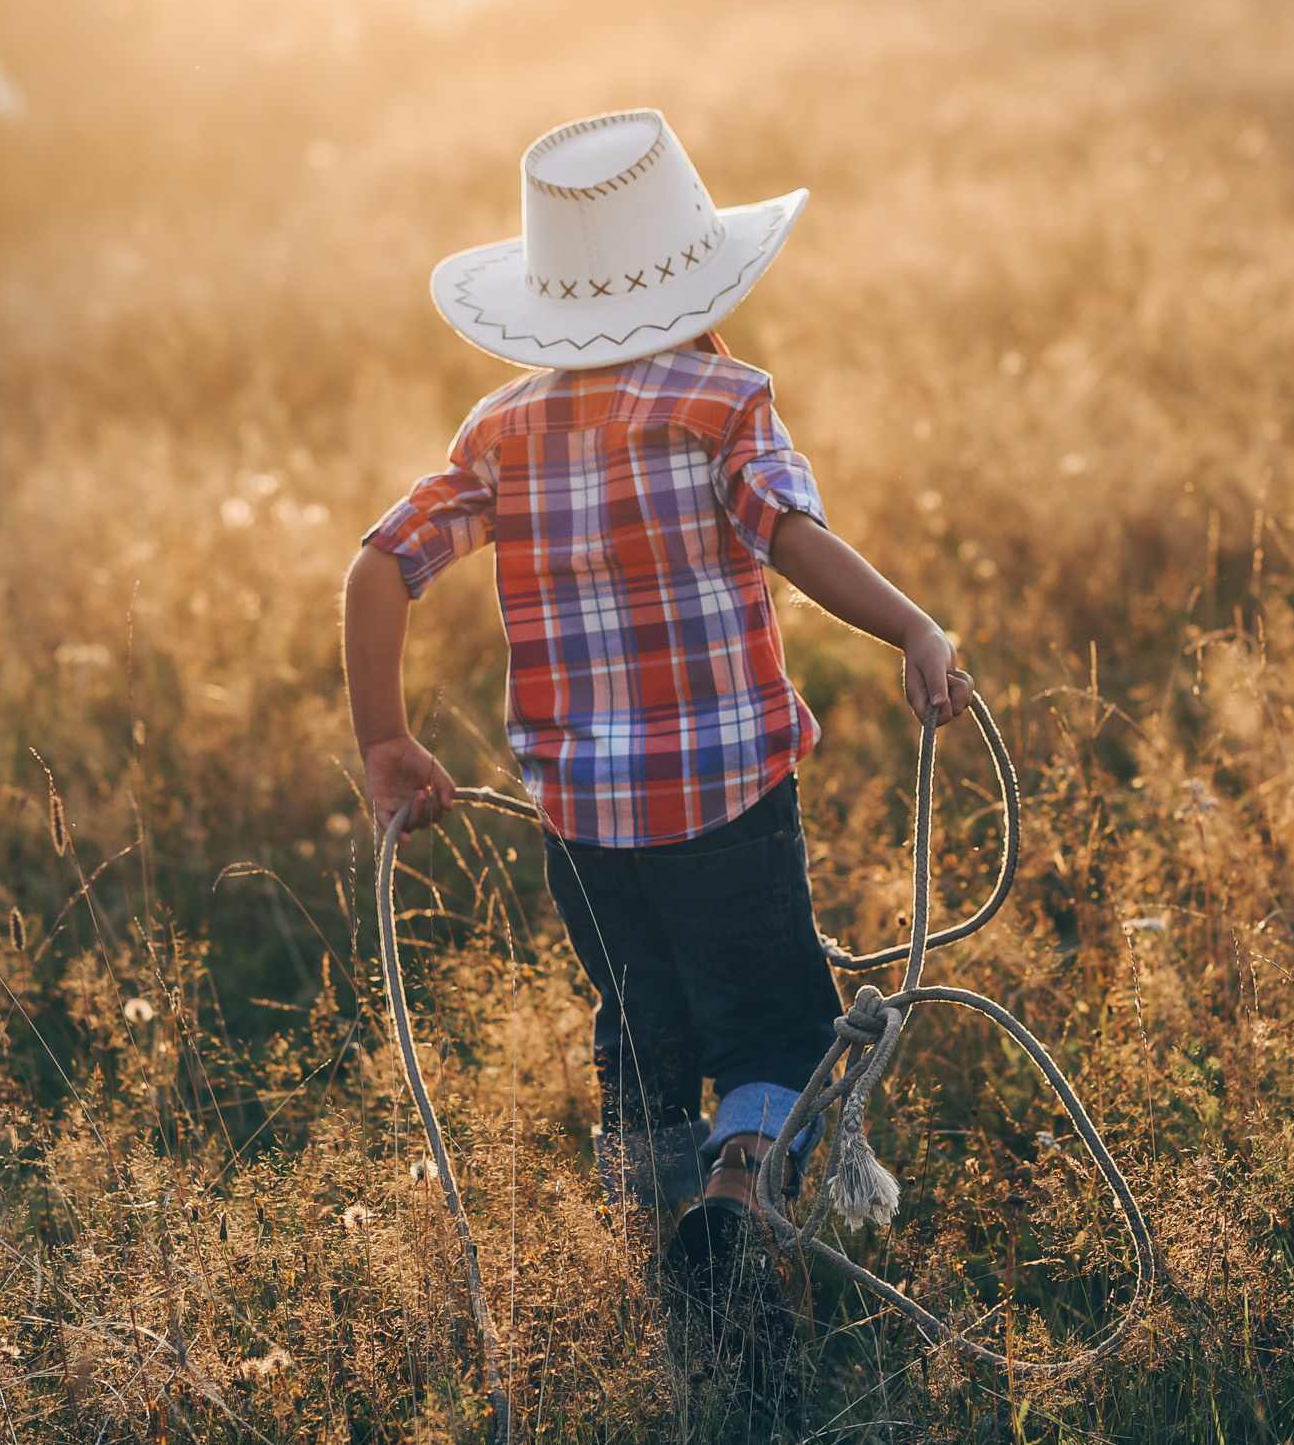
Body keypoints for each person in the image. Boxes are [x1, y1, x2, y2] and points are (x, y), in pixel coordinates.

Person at [342, 108, 972, 1274]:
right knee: (773, 1022)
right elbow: (786, 532)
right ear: (702, 280)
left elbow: (379, 564)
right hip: (725, 799)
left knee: (640, 1020)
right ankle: (738, 1199)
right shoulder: (721, 404)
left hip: (582, 820)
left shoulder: (501, 428)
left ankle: (653, 1219)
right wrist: (913, 624)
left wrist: (386, 737)